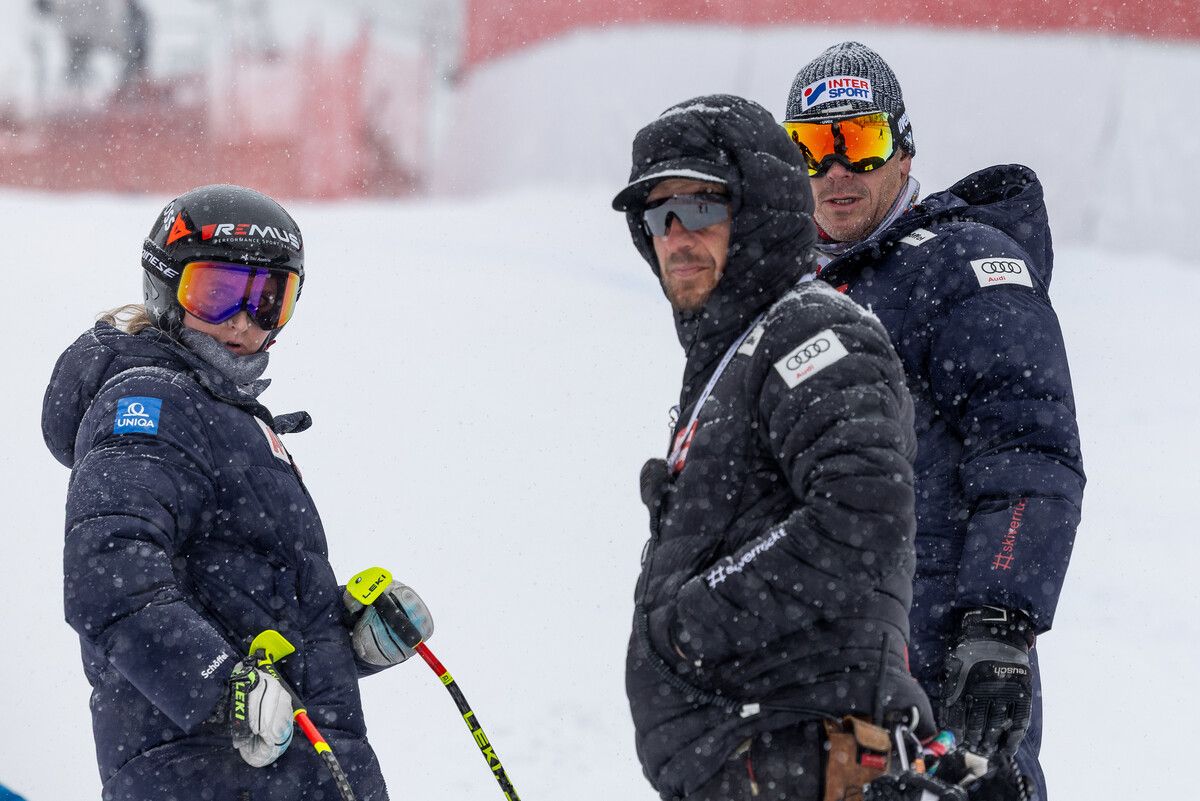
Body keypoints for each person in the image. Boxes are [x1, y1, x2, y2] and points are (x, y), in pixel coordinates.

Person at [41, 184, 433, 800]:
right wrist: (220, 685)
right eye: (218, 294)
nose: (244, 322)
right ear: (166, 288)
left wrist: (345, 631)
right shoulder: (149, 402)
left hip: (296, 765)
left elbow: (243, 595)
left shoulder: (227, 415)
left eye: (269, 300)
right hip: (201, 771)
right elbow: (107, 571)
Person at [612, 94, 941, 801]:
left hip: (808, 754)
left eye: (700, 209)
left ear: (757, 209)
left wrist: (687, 625)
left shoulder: (811, 334)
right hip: (759, 761)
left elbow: (863, 517)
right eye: (658, 217)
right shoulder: (740, 351)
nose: (676, 236)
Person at [782, 42, 1086, 800]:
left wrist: (1000, 625)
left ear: (903, 147)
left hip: (939, 666)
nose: (838, 171)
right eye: (813, 147)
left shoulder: (965, 267)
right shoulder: (787, 293)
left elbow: (1029, 452)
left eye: (861, 141)